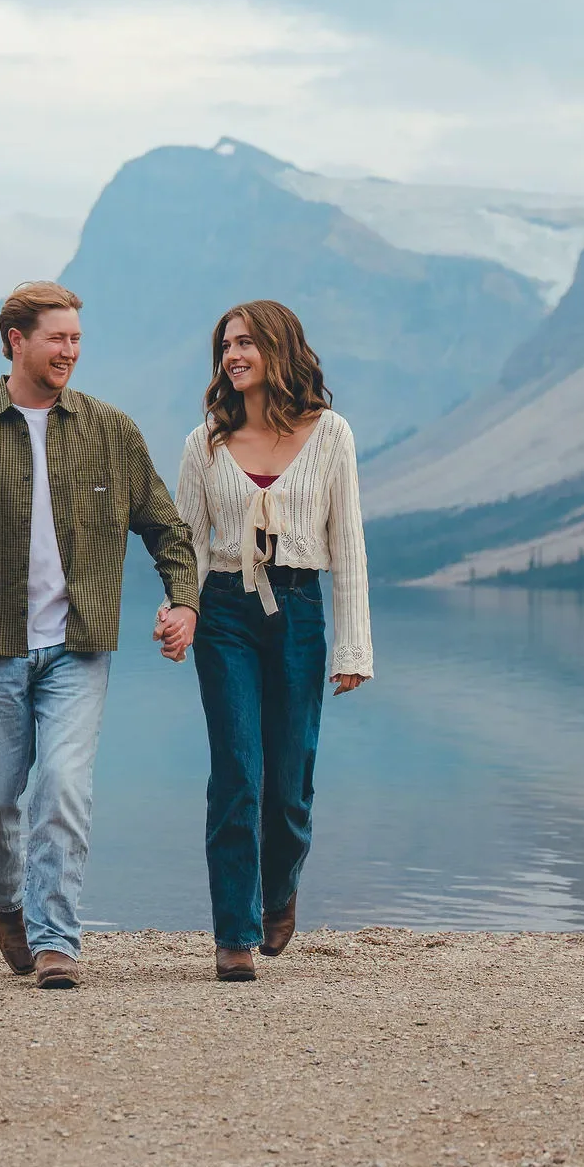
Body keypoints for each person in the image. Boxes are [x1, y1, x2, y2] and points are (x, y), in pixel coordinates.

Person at [0, 281, 200, 990]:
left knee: (63, 787)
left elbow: (167, 529)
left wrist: (183, 601)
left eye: (76, 341)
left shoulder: (111, 431)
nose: (69, 352)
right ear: (16, 342)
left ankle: (56, 939)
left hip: (78, 646)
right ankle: (8, 904)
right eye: (57, 339)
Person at [166, 299, 371, 983]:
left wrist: (353, 647)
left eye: (247, 342)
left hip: (301, 610)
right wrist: (181, 610)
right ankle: (235, 933)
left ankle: (279, 891)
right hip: (225, 611)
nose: (233, 355)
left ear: (280, 349)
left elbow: (350, 543)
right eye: (226, 344)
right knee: (237, 773)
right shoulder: (206, 443)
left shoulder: (332, 434)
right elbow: (188, 544)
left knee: (289, 783)